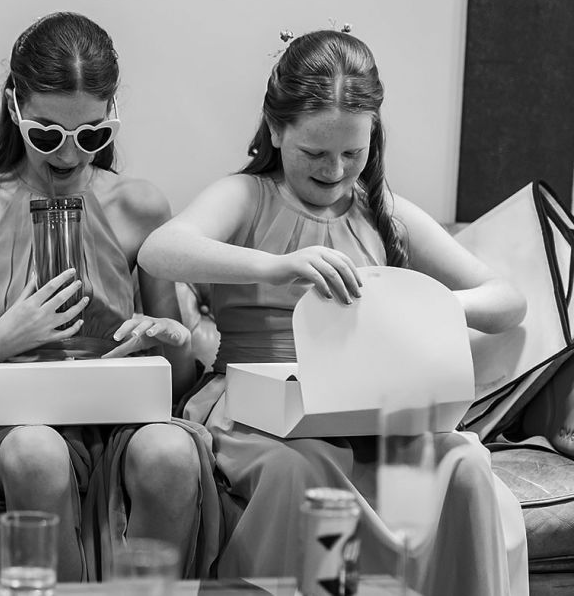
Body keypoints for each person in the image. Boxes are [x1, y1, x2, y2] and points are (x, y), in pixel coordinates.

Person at [137, 29, 530, 595]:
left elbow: (507, 300)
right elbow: (159, 251)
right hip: (257, 412)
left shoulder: (383, 211)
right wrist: (276, 267)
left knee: (463, 463)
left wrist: (435, 305)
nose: (336, 171)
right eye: (315, 154)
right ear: (276, 130)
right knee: (300, 470)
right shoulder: (248, 196)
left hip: (366, 411)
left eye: (353, 153)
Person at [0, 12, 219, 583]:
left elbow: (175, 382)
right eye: (48, 134)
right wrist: (1, 341)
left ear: (112, 115)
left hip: (119, 414)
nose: (70, 155)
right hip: (10, 419)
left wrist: (167, 338)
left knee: (171, 457)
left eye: (92, 135)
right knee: (36, 454)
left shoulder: (140, 207)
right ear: (14, 108)